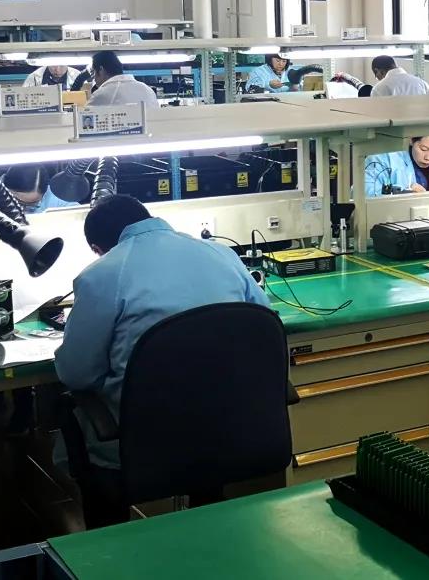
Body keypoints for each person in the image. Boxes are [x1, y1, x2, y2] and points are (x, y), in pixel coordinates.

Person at [54, 195, 270, 470]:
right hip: (234, 427)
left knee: (68, 444)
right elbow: (264, 324)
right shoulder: (222, 254)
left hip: (145, 441)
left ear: (97, 249)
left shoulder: (99, 275)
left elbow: (77, 374)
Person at [365, 135, 429, 197]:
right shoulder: (383, 158)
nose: (428, 157)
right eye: (423, 149)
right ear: (411, 140)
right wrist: (404, 193)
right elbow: (367, 192)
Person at [86, 51, 159, 108]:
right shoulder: (148, 89)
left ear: (101, 70)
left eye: (93, 72)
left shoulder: (102, 94)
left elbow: (83, 117)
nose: (94, 78)